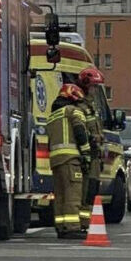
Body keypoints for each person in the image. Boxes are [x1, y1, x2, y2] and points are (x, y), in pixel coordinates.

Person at [46, 83, 90, 239]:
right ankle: (72, 227)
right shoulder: (73, 111)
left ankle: (61, 226)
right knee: (73, 194)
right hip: (71, 158)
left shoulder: (53, 115)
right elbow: (80, 131)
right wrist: (86, 153)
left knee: (60, 195)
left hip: (56, 161)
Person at [75, 66, 106, 229]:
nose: (95, 90)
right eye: (94, 87)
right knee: (85, 190)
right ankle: (81, 222)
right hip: (86, 154)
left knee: (92, 189)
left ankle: (85, 222)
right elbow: (82, 131)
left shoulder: (92, 107)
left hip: (95, 155)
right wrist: (95, 139)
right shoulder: (80, 107)